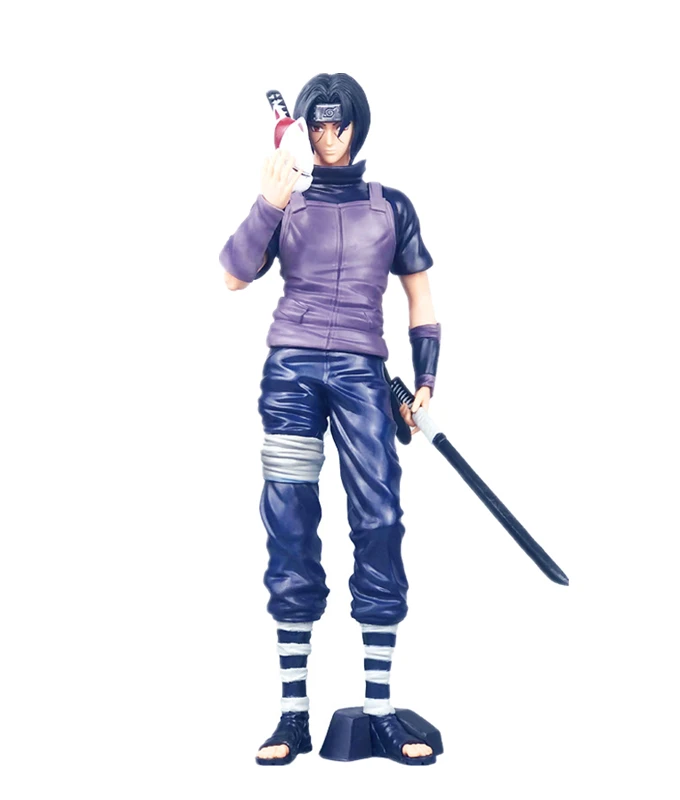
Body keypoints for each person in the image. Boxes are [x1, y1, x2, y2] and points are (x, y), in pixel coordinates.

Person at [219, 73, 441, 766]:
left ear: (357, 126)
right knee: (288, 523)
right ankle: (293, 714)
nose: (326, 136)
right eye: (316, 125)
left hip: (361, 374)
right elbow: (233, 275)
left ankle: (379, 711)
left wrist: (425, 380)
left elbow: (421, 300)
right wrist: (267, 202)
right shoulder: (287, 201)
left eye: (337, 124)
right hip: (290, 373)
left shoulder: (391, 206)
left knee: (380, 519)